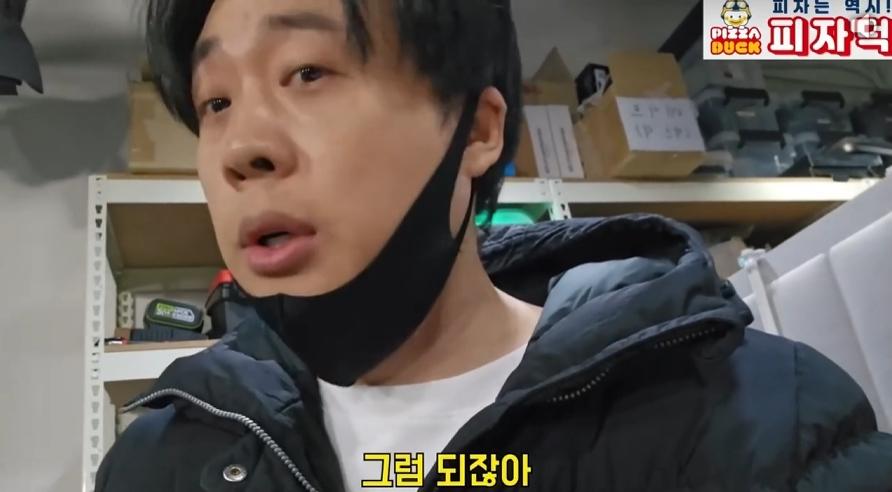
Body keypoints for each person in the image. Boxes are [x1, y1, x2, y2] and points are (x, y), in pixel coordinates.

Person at [96, 0, 892, 490]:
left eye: (307, 72)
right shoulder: (160, 461)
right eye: (216, 102)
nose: (241, 148)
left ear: (477, 131)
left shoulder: (752, 419)